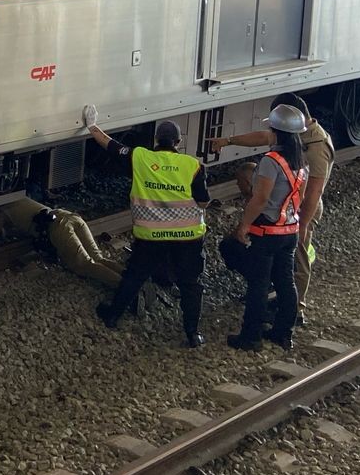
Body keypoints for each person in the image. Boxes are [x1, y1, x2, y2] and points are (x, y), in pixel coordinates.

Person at [81, 105, 211, 348]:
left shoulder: (141, 157)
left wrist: (92, 126)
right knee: (190, 284)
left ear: (155, 140)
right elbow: (203, 201)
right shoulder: (192, 166)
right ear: (178, 141)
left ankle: (112, 316)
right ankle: (193, 334)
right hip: (188, 238)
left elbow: (110, 145)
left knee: (135, 276)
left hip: (151, 236)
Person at [208, 92, 335, 308]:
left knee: (298, 258)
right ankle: (269, 289)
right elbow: (263, 137)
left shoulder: (317, 146)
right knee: (247, 171)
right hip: (283, 203)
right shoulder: (292, 132)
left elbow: (313, 193)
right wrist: (228, 141)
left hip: (300, 209)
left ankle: (296, 308)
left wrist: (301, 225)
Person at [224, 104, 310, 350]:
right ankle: (283, 333)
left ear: (275, 133)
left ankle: (251, 337)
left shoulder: (271, 161)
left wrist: (244, 225)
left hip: (267, 232)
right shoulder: (302, 163)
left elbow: (260, 198)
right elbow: (300, 198)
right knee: (285, 282)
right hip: (289, 231)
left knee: (258, 285)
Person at [25, 199, 123, 289]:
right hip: (70, 216)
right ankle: (131, 279)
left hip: (57, 225)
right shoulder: (21, 198)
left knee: (84, 264)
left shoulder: (10, 208)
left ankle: (124, 288)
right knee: (98, 258)